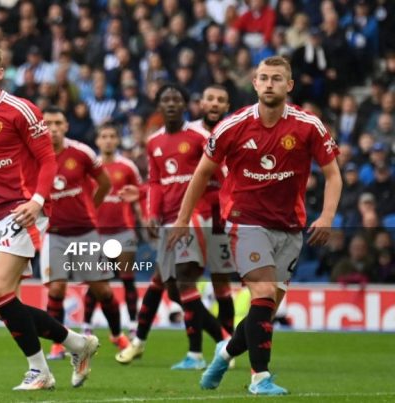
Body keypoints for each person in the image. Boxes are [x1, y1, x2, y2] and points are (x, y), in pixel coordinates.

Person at [167, 55, 342, 395]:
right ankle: (260, 378)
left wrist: (328, 216)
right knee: (261, 294)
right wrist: (182, 219)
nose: (269, 84)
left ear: (289, 85)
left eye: (277, 78)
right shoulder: (233, 126)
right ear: (254, 83)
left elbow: (333, 174)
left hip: (289, 227)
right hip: (245, 222)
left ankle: (225, 352)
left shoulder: (309, 125)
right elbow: (202, 173)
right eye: (263, 78)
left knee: (264, 312)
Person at [0, 42, 98, 391]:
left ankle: (40, 373)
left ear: (0, 73)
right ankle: (79, 344)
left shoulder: (21, 110)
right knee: (2, 304)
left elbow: (48, 160)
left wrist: (37, 201)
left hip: (23, 209)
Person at [115, 84, 227, 370]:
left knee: (184, 280)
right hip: (167, 221)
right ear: (159, 106)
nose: (172, 104)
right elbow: (154, 182)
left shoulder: (201, 136)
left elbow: (223, 173)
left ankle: (195, 355)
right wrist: (151, 213)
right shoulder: (153, 142)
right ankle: (224, 340)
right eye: (166, 100)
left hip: (194, 218)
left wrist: (225, 211)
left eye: (177, 99)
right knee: (165, 284)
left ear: (185, 105)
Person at [39, 106, 123, 361]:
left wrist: (91, 210)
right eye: (48, 123)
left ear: (66, 126)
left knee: (102, 290)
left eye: (58, 123)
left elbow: (105, 183)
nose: (53, 128)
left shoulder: (81, 152)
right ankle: (57, 344)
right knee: (56, 290)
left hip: (85, 232)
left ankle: (117, 335)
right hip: (54, 234)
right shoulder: (35, 156)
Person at [189, 85, 237, 336]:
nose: (215, 103)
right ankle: (196, 349)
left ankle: (225, 345)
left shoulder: (234, 131)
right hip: (193, 211)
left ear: (227, 107)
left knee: (221, 280)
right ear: (201, 103)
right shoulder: (189, 133)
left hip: (222, 216)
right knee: (183, 280)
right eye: (210, 99)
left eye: (221, 99)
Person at [87, 124, 143, 337]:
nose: (108, 140)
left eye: (112, 136)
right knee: (96, 281)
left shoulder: (128, 166)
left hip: (124, 231)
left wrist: (145, 219)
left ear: (118, 140)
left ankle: (133, 325)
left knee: (127, 278)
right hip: (96, 232)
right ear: (98, 141)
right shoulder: (90, 166)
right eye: (104, 136)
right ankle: (86, 325)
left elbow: (138, 196)